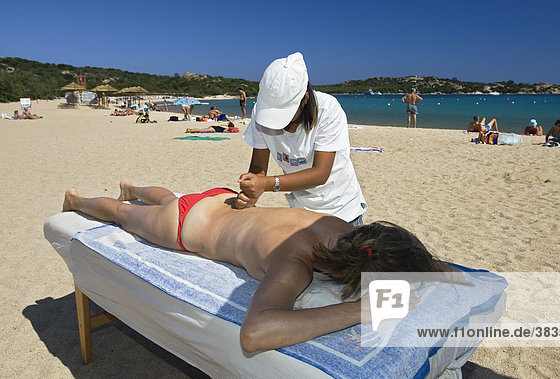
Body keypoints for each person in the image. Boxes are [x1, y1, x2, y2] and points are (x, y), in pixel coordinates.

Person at [62, 180, 457, 352]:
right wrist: (363, 309)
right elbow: (255, 333)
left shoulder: (341, 228)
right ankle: (76, 202)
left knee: (168, 195)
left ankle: (133, 187)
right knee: (119, 213)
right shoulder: (294, 261)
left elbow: (391, 251)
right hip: (183, 226)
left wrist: (436, 268)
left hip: (217, 200)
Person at [236, 52, 367, 226]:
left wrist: (266, 184)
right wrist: (251, 191)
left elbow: (320, 173)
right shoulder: (260, 112)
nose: (277, 124)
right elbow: (259, 167)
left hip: (342, 211)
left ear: (304, 99)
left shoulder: (328, 110)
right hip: (301, 211)